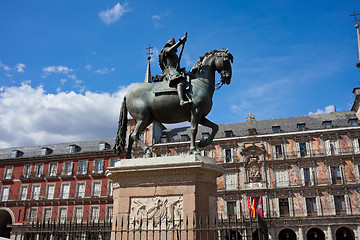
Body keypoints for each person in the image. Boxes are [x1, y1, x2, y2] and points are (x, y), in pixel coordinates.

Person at [158, 34, 192, 106]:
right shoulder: (166, 50)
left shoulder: (174, 54)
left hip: (176, 70)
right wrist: (180, 42)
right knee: (180, 80)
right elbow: (171, 49)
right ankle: (182, 100)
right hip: (170, 70)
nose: (174, 44)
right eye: (172, 43)